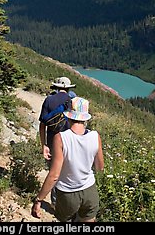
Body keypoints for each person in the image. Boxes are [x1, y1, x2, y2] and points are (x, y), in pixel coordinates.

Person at [32, 96, 104, 222]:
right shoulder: (95, 136)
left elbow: (54, 175)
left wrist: (39, 199)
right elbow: (99, 167)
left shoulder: (61, 138)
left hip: (68, 193)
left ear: (68, 116)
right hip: (90, 190)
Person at [38, 76, 76, 206]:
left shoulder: (48, 100)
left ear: (56, 87)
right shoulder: (72, 101)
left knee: (54, 173)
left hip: (52, 142)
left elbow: (42, 125)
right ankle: (69, 203)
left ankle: (56, 203)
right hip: (69, 142)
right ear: (67, 88)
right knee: (68, 173)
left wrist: (44, 145)